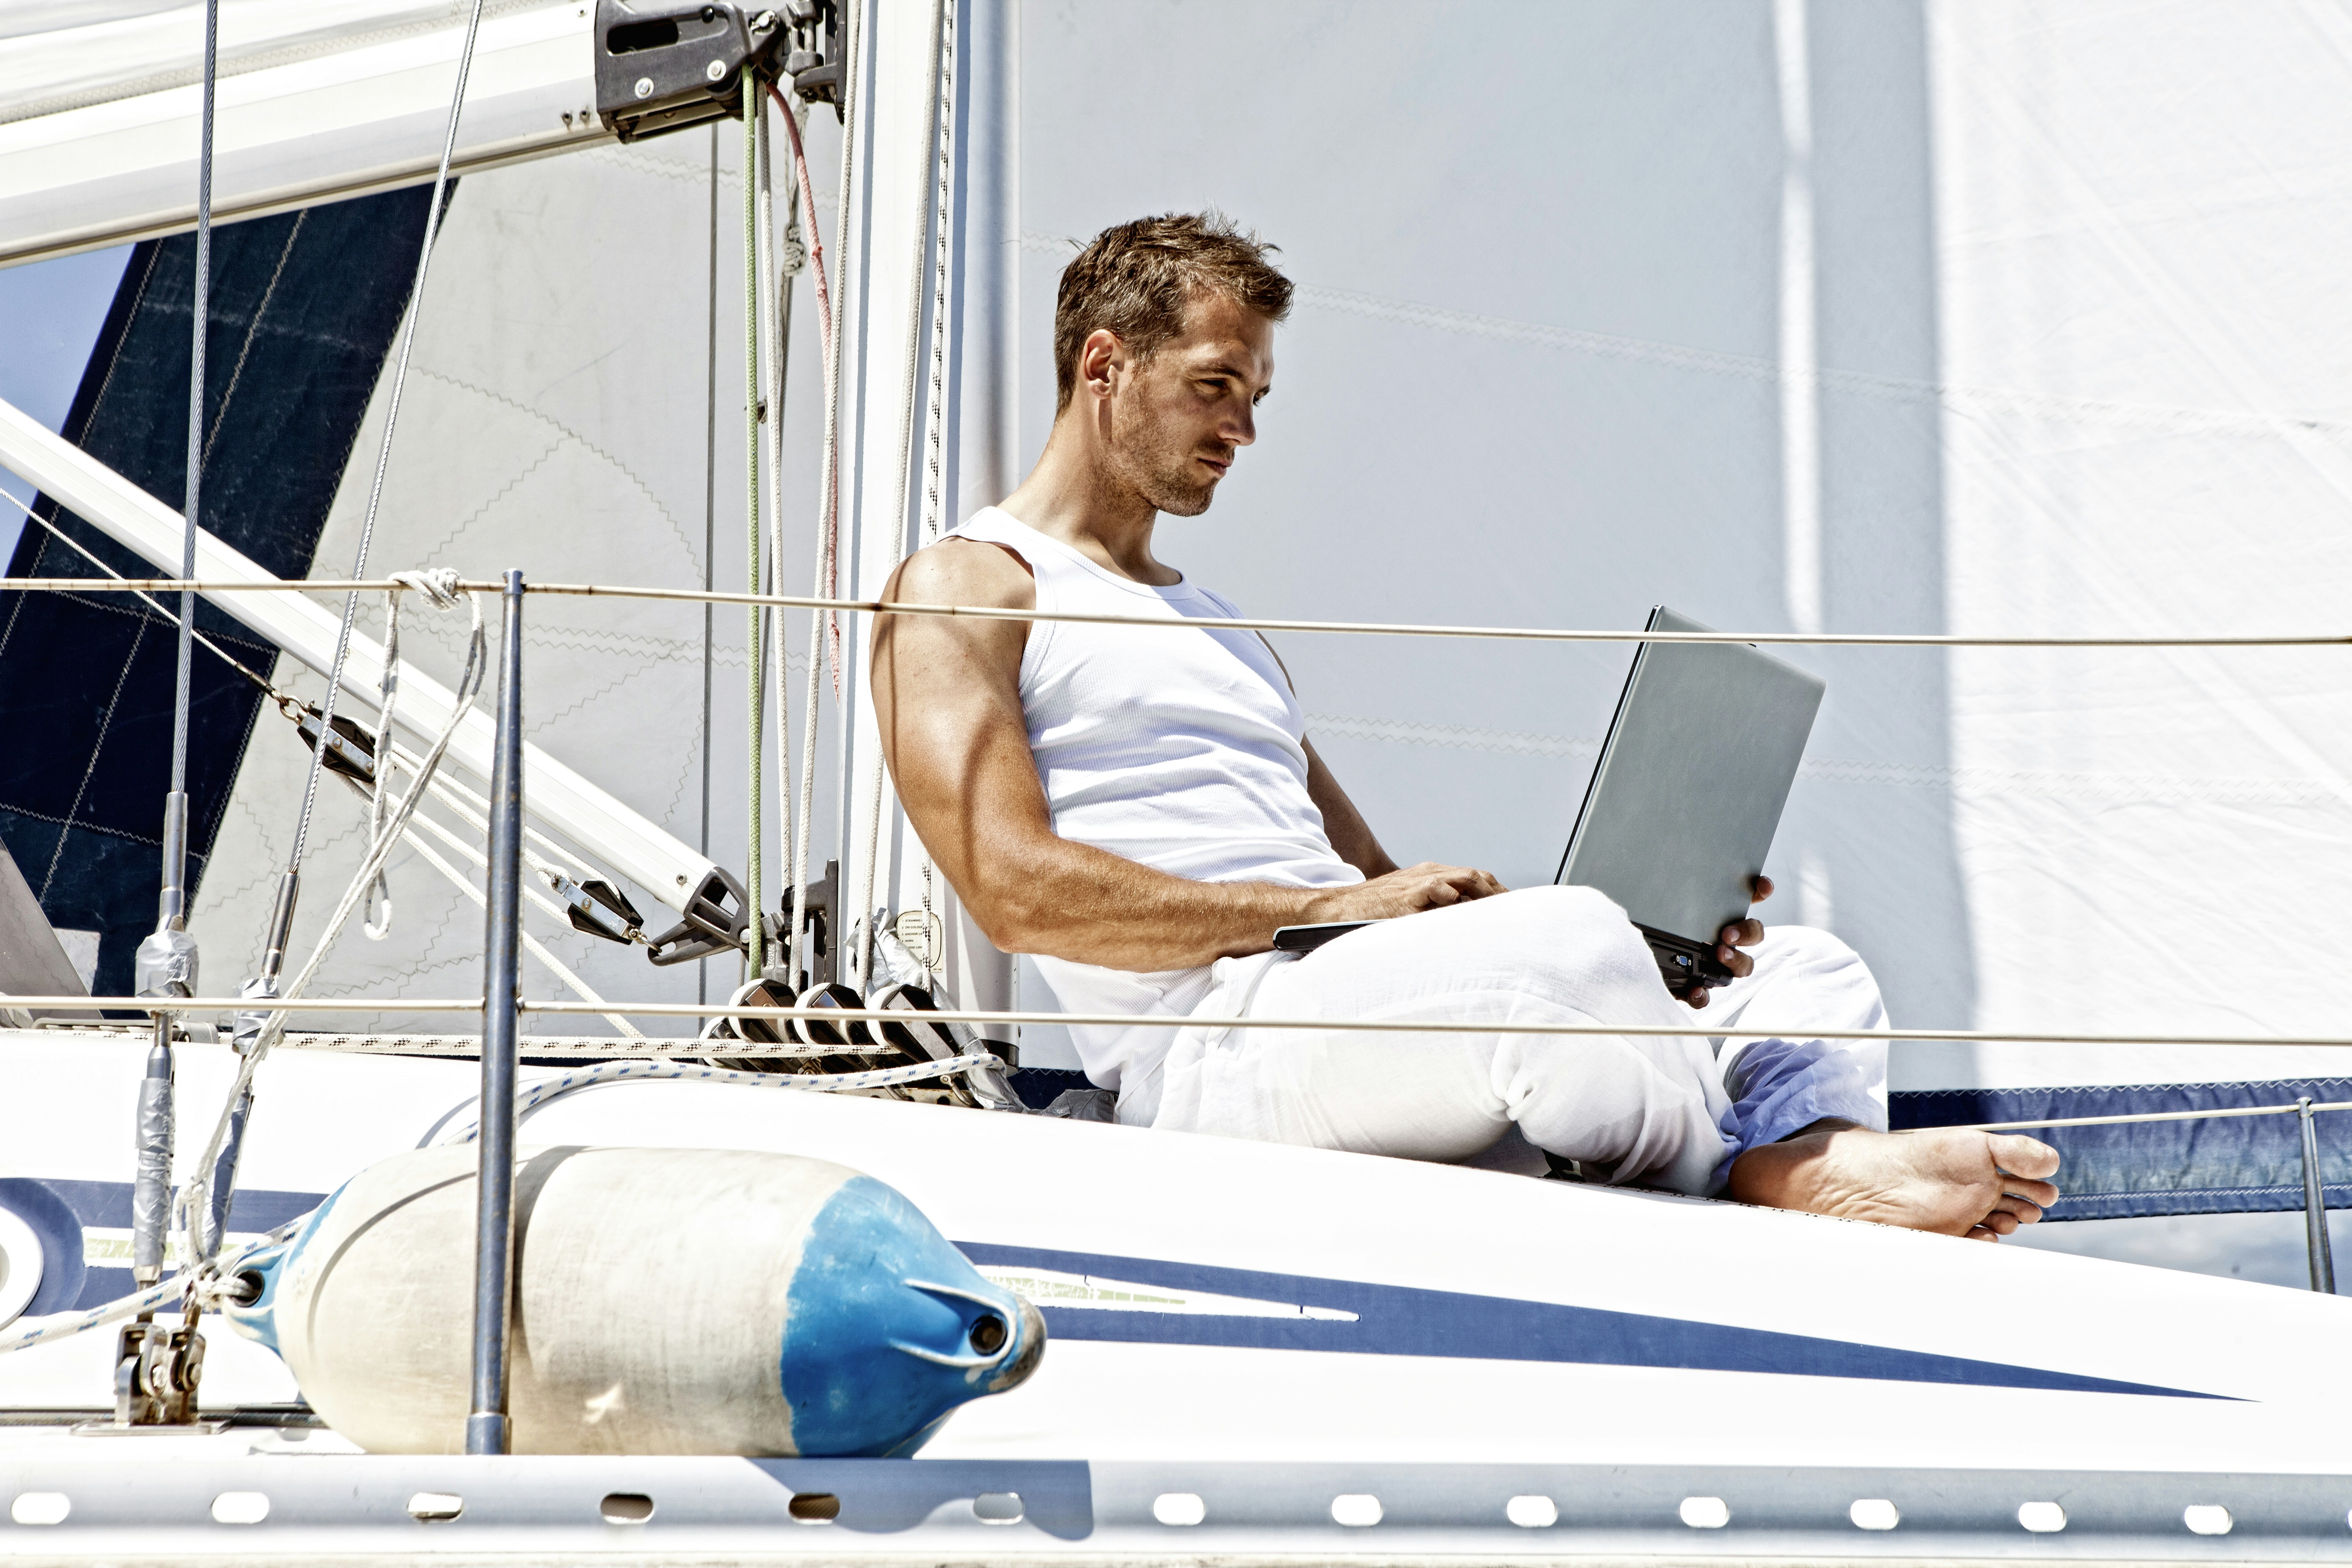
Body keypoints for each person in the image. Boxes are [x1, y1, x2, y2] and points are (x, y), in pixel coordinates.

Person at [872, 213, 2058, 1240]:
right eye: (1216, 385)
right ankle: (1765, 1172)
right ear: (1105, 364)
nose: (1243, 429)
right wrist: (1337, 916)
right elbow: (1013, 891)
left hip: (1335, 1000)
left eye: (1257, 398)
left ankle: (1799, 1146)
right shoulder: (973, 583)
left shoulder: (1219, 625)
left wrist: (1654, 934)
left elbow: (1381, 891)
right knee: (1563, 955)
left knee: (1805, 968)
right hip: (1210, 1053)